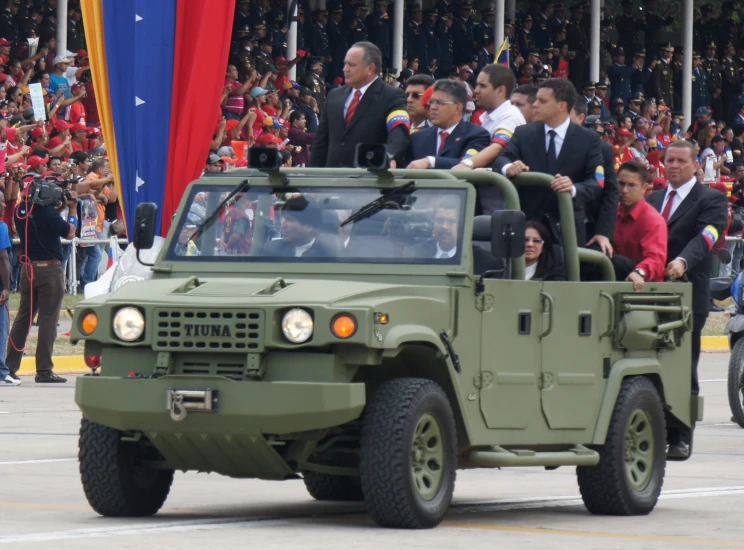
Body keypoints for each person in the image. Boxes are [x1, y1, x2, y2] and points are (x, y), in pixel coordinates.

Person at [646, 140, 729, 457]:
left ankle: (681, 436)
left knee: (683, 364)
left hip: (687, 293)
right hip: (650, 293)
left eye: (681, 161)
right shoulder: (652, 199)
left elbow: (707, 235)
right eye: (669, 160)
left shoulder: (711, 199)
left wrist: (682, 261)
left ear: (696, 165)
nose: (674, 166)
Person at [493, 78, 603, 247]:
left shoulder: (588, 139)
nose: (535, 105)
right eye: (536, 99)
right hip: (527, 225)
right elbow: (502, 158)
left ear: (562, 106)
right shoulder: (524, 133)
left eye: (542, 101)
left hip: (567, 228)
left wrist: (573, 189)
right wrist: (509, 167)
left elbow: (597, 181)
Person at [6, 178, 77, 383]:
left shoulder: (21, 210)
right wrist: (71, 210)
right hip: (49, 270)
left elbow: (45, 215)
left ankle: (9, 367)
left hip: (28, 269)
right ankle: (44, 370)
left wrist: (60, 204)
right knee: (48, 320)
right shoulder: (49, 214)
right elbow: (70, 233)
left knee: (23, 318)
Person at [310, 42, 410, 168]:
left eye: (351, 65)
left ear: (370, 68)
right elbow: (321, 141)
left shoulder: (392, 96)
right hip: (332, 180)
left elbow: (398, 132)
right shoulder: (334, 96)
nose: (345, 69)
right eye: (345, 63)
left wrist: (389, 157)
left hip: (368, 179)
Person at [569, 102, 618, 256]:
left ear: (580, 118)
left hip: (588, 227)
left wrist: (603, 232)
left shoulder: (601, 148)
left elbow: (610, 192)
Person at [407, 79, 489, 170]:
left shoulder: (476, 135)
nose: (433, 107)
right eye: (432, 102)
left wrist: (431, 161)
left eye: (439, 103)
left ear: (458, 108)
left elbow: (467, 163)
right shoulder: (417, 137)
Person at [610, 160, 668, 290]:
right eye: (621, 184)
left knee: (618, 262)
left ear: (644, 188)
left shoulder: (653, 220)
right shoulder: (610, 215)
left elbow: (656, 259)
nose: (624, 190)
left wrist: (640, 272)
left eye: (632, 185)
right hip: (615, 282)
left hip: (646, 287)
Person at [265, 195, 341, 258]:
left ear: (309, 226)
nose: (283, 225)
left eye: (290, 220)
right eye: (284, 218)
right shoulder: (272, 249)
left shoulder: (329, 254)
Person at [0, 196, 14, 386]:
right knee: (2, 329)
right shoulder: (2, 227)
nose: (4, 205)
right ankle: (2, 371)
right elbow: (3, 258)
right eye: (1, 201)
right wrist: (6, 286)